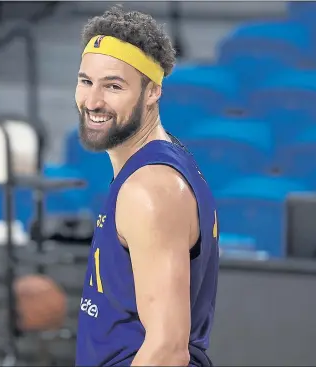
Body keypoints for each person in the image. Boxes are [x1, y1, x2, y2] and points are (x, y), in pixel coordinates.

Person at [74, 6, 219, 366]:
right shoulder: (153, 168)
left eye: (113, 86)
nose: (92, 101)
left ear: (153, 91)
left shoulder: (150, 188)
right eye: (85, 81)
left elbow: (168, 350)